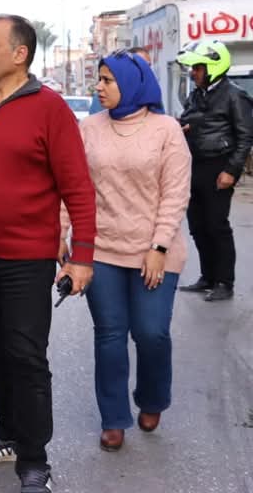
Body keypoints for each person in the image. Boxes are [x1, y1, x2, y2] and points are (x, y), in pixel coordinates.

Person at [0, 15, 95, 493]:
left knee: (26, 357)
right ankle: (7, 433)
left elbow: (78, 188)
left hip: (26, 259)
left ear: (19, 54)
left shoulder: (50, 109)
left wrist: (82, 256)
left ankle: (34, 457)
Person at [65, 51, 191, 452]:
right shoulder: (89, 128)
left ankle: (152, 398)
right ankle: (114, 418)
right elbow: (73, 187)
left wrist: (159, 246)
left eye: (107, 80)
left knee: (151, 333)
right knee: (110, 334)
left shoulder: (166, 130)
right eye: (99, 80)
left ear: (132, 84)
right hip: (101, 250)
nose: (98, 87)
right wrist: (63, 237)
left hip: (154, 251)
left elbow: (175, 193)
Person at [176, 40, 253, 302]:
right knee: (198, 225)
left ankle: (224, 281)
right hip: (195, 165)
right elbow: (188, 121)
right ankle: (207, 276)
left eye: (197, 68)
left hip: (219, 166)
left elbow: (245, 136)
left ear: (213, 67)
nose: (193, 73)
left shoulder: (234, 95)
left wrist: (232, 170)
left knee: (216, 225)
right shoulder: (197, 95)